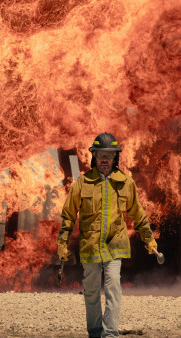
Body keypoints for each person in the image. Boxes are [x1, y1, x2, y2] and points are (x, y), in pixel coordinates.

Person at [57, 132, 157, 337]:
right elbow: (68, 215)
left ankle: (110, 333)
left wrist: (149, 239)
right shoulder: (82, 184)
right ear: (94, 156)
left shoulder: (125, 183)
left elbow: (138, 214)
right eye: (100, 154)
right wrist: (62, 243)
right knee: (92, 291)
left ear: (115, 158)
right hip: (90, 247)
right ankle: (95, 331)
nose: (104, 159)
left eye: (109, 155)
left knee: (113, 288)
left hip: (115, 246)